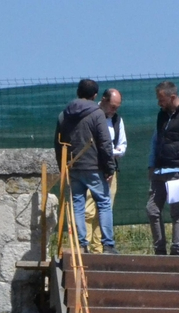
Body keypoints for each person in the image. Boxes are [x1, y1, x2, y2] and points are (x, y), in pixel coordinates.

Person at [54, 79, 118, 254]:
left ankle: (81, 245)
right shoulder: (97, 114)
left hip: (73, 165)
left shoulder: (63, 115)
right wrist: (109, 167)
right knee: (104, 203)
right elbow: (105, 143)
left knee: (77, 205)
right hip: (94, 166)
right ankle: (108, 244)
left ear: (77, 92)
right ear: (95, 95)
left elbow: (58, 144)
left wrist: (63, 167)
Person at [146, 81, 179, 255]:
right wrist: (151, 164)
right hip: (159, 171)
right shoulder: (161, 115)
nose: (158, 103)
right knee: (152, 210)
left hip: (177, 172)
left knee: (177, 212)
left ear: (172, 97)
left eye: (161, 99)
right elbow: (156, 140)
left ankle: (176, 249)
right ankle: (159, 249)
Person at [84, 88, 127, 254]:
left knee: (105, 210)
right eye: (112, 106)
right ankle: (84, 247)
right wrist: (107, 149)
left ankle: (99, 248)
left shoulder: (117, 120)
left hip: (111, 170)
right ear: (103, 100)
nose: (114, 110)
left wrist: (108, 151)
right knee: (88, 210)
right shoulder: (90, 115)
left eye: (117, 107)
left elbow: (122, 148)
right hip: (91, 169)